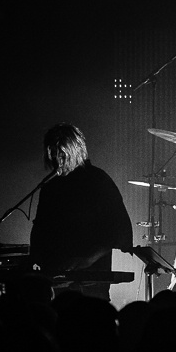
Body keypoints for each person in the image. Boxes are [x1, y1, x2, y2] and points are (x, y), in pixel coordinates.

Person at [30, 123, 133, 301]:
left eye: (62, 155)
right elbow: (40, 229)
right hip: (57, 280)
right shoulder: (51, 187)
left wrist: (88, 259)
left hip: (91, 282)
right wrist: (36, 260)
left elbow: (119, 230)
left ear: (75, 151)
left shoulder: (98, 181)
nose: (57, 161)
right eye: (53, 155)